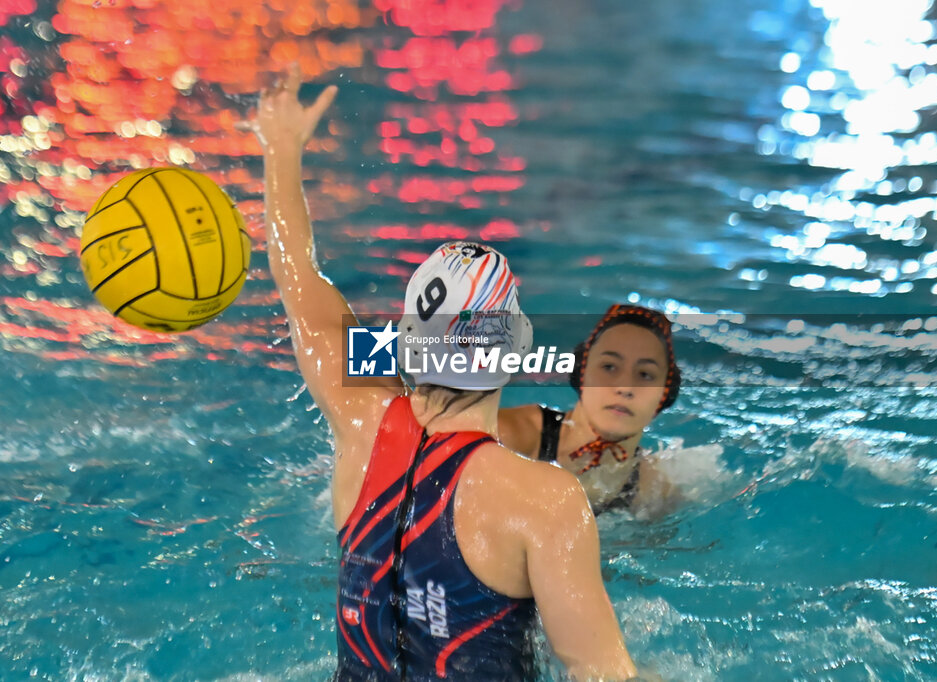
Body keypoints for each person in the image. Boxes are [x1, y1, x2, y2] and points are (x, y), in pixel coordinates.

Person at [239, 64, 643, 681]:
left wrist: (281, 148)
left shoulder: (358, 421)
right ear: (513, 352)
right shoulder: (545, 500)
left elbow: (299, 279)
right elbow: (604, 673)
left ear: (405, 340)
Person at [499, 305, 683, 518]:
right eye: (609, 367)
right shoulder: (509, 438)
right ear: (582, 372)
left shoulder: (655, 492)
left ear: (665, 395)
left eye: (645, 374)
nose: (625, 387)